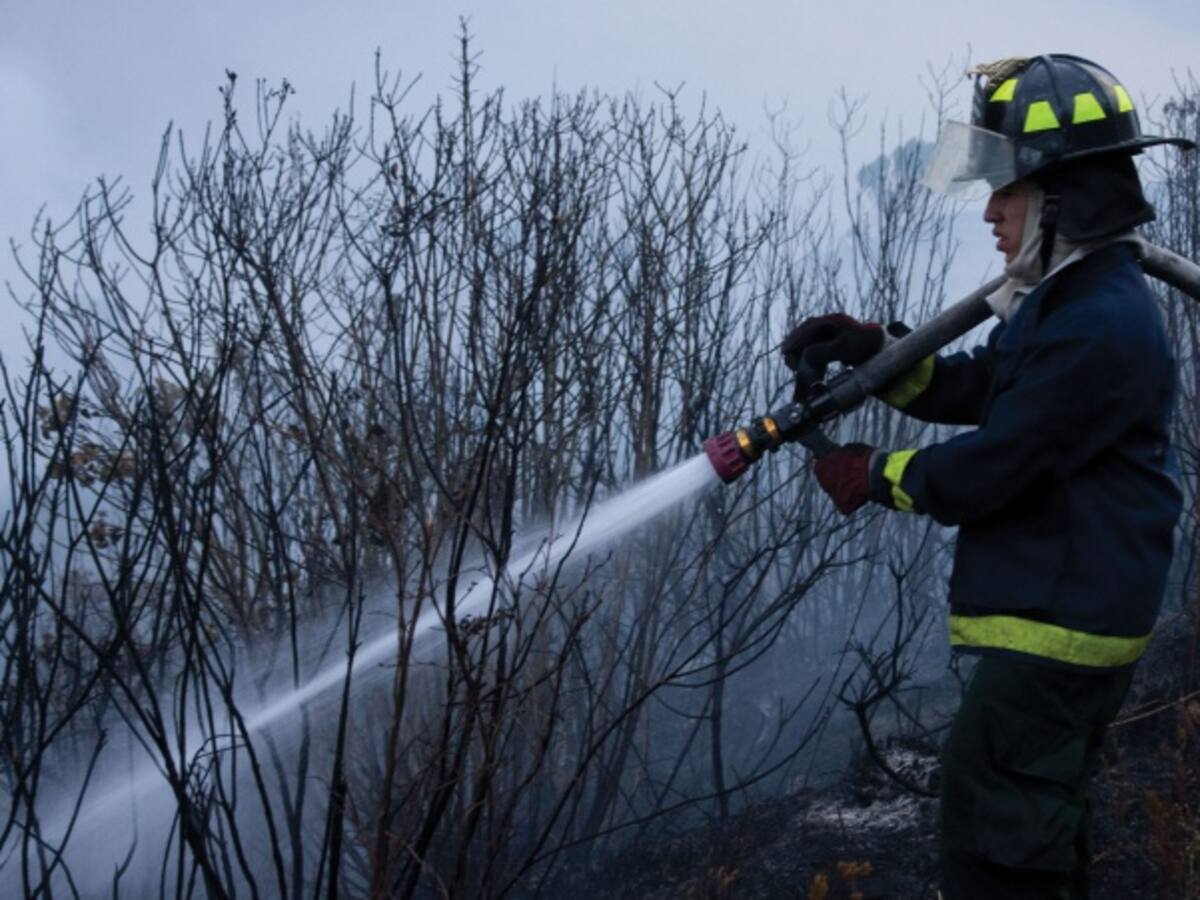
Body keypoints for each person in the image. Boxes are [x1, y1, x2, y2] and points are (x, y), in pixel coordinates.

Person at [781, 55, 1195, 898]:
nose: (989, 213)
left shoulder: (1100, 324)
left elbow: (995, 466)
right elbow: (985, 389)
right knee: (1026, 824)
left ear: (1063, 198)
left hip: (1061, 624)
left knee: (1000, 837)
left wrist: (872, 473)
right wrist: (883, 352)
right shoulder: (1069, 300)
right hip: (1056, 607)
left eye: (1006, 191)